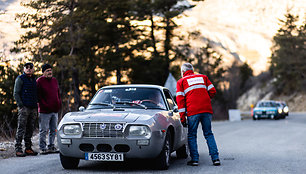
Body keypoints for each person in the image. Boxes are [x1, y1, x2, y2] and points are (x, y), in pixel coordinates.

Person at [176, 62, 220, 166]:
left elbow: (180, 102)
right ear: (192, 69)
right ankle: (215, 159)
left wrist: (182, 118)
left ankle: (195, 160)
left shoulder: (181, 81)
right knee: (208, 134)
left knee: (192, 135)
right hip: (206, 110)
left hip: (193, 112)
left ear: (183, 72)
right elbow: (213, 91)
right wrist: (204, 99)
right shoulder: (203, 77)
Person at [13, 62, 38, 157]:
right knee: (21, 128)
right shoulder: (20, 79)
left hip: (33, 108)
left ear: (33, 69)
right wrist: (21, 106)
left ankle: (28, 148)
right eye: (26, 67)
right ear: (24, 69)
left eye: (30, 67)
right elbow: (16, 93)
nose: (28, 69)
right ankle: (18, 148)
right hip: (24, 108)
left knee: (30, 128)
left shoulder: (33, 79)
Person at [36, 63, 61, 154]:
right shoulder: (39, 81)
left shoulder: (54, 80)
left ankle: (51, 146)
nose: (50, 72)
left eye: (50, 70)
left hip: (55, 110)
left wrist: (59, 103)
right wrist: (44, 105)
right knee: (43, 130)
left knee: (53, 129)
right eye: (47, 71)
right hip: (44, 111)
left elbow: (58, 93)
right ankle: (42, 148)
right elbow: (38, 96)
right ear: (43, 72)